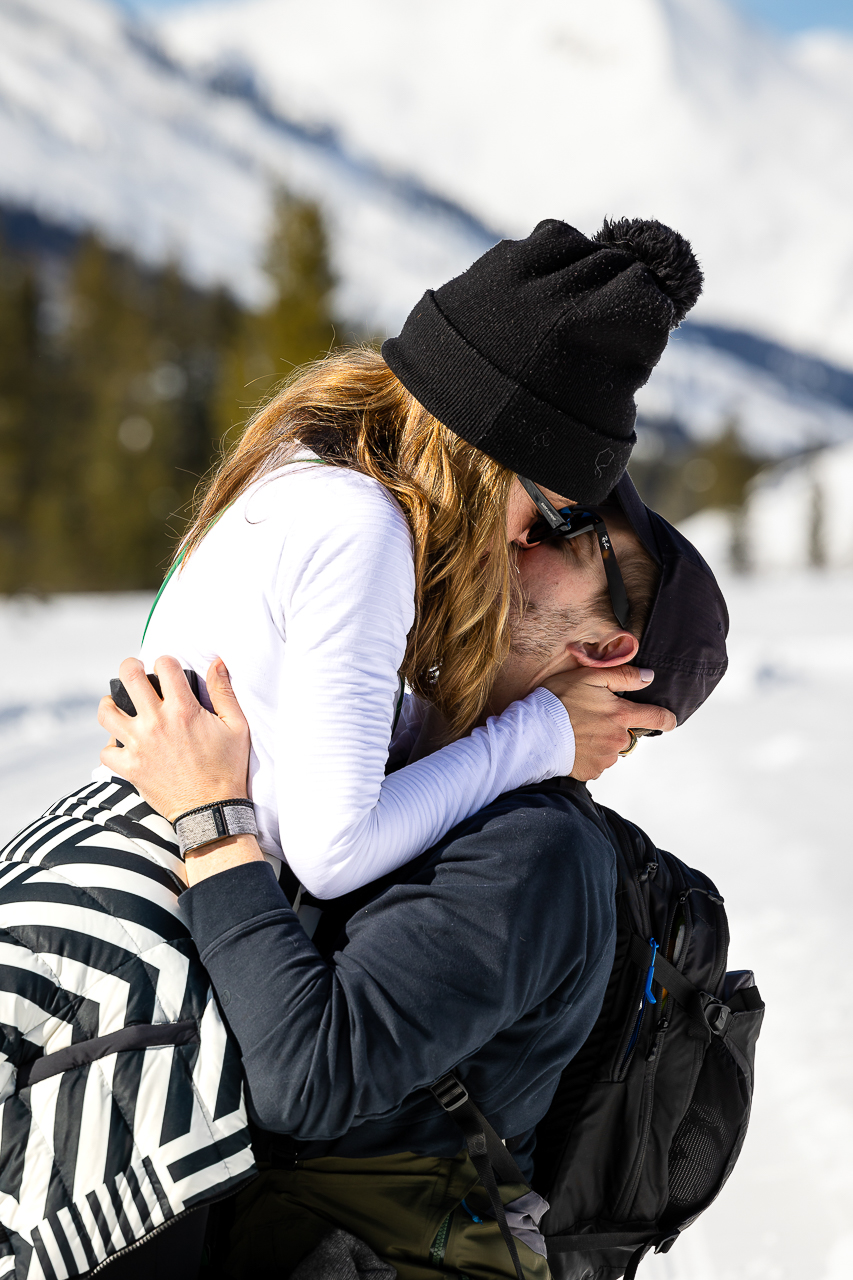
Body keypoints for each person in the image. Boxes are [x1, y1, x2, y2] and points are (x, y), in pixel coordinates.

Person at [94, 476, 728, 1280]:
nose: (518, 532)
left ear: (604, 651)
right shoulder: (407, 773)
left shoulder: (532, 850)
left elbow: (311, 1079)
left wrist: (213, 822)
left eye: (567, 539)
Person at [97, 217, 703, 902]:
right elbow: (335, 852)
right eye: (547, 513)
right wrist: (540, 734)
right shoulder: (360, 527)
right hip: (153, 923)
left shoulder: (300, 472)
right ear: (488, 459)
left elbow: (300, 742)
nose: (522, 542)